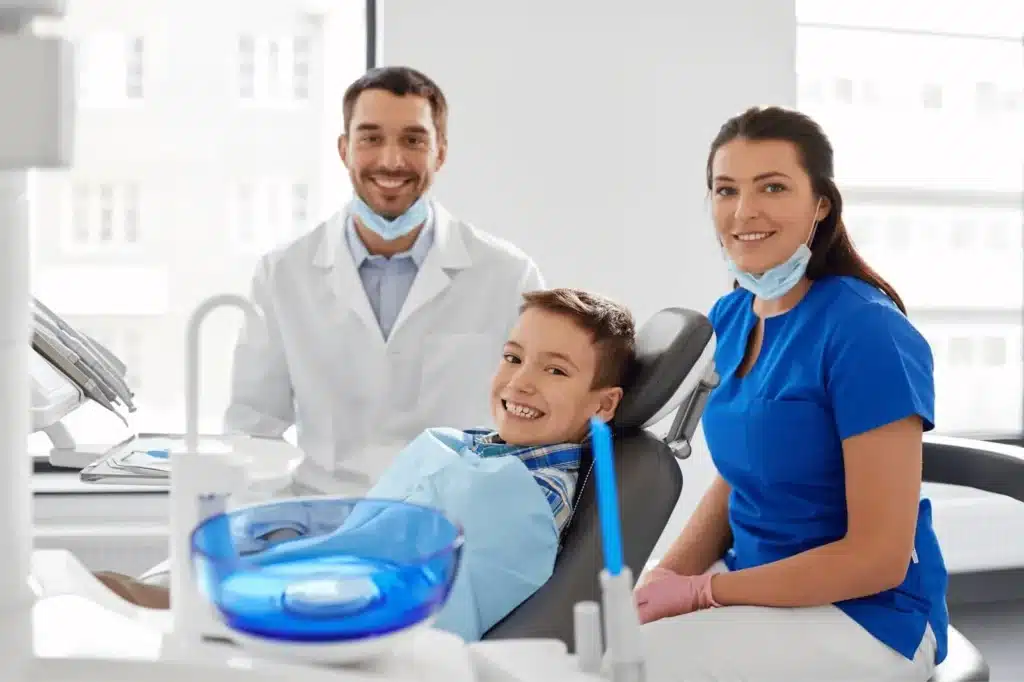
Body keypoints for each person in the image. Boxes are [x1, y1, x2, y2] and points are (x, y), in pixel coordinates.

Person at [92, 288, 637, 634]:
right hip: (334, 575)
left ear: (603, 404)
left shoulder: (529, 496)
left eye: (556, 371)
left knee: (113, 604)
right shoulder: (486, 450)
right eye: (513, 358)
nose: (520, 381)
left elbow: (441, 608)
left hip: (360, 621)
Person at [633, 107, 948, 682]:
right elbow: (740, 477)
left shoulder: (866, 332)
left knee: (636, 669)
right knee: (594, 640)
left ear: (821, 204)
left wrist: (705, 592)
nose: (744, 212)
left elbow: (876, 559)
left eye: (773, 187)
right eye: (725, 190)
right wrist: (663, 580)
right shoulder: (729, 318)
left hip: (862, 615)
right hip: (751, 583)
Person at [224, 66, 545, 491]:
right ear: (344, 149)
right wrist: (272, 527)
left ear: (440, 152)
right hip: (329, 520)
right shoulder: (282, 274)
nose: (391, 160)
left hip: (457, 524)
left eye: (413, 140)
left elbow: (542, 420)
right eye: (371, 138)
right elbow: (252, 430)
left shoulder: (508, 275)